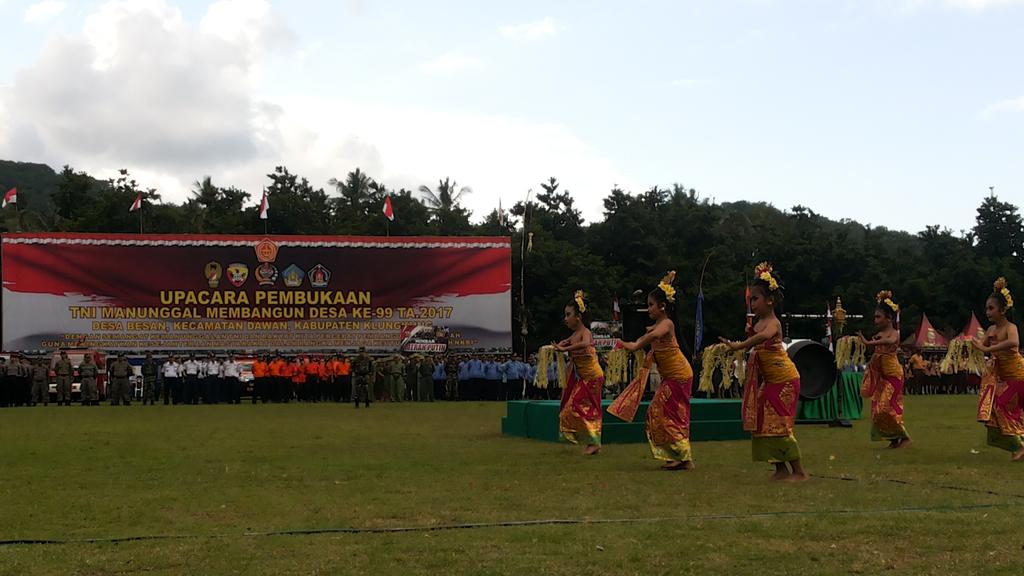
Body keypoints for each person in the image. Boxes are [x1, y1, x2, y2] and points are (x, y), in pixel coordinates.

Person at [722, 263, 808, 482]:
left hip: (785, 380)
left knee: (778, 423)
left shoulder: (773, 323)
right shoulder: (759, 322)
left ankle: (799, 472)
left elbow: (763, 337)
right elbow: (757, 336)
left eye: (756, 299)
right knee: (760, 420)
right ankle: (780, 469)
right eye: (751, 299)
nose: (752, 303)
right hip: (769, 381)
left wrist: (740, 345)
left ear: (770, 300)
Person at [620, 272, 695, 470]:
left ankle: (679, 456)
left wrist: (635, 345)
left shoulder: (666, 324)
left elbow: (655, 334)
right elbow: (651, 331)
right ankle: (682, 457)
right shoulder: (658, 324)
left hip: (678, 376)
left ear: (662, 306)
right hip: (674, 376)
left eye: (651, 304)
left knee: (661, 411)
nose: (648, 308)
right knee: (667, 413)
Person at [973, 277, 1024, 461]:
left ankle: (1020, 446)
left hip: (1018, 376)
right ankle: (1018, 446)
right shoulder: (990, 330)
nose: (987, 312)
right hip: (1004, 378)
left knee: (1002, 406)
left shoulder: (1011, 328)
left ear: (1003, 310)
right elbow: (980, 344)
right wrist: (967, 343)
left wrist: (988, 349)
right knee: (996, 410)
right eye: (986, 308)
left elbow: (1014, 342)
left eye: (991, 308)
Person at [859, 291, 911, 448]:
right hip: (882, 376)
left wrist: (869, 343)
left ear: (889, 318)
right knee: (878, 409)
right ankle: (894, 439)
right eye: (875, 317)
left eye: (878, 317)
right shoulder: (879, 335)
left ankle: (905, 437)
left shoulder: (894, 334)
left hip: (894, 375)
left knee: (886, 406)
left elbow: (890, 341)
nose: (875, 320)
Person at [555, 290, 605, 455]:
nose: (565, 318)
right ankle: (593, 442)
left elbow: (584, 344)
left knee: (577, 405)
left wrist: (565, 348)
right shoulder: (574, 335)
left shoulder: (585, 333)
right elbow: (569, 344)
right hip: (585, 378)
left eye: (568, 314)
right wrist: (562, 345)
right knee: (579, 407)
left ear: (578, 317)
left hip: (593, 376)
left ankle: (594, 442)